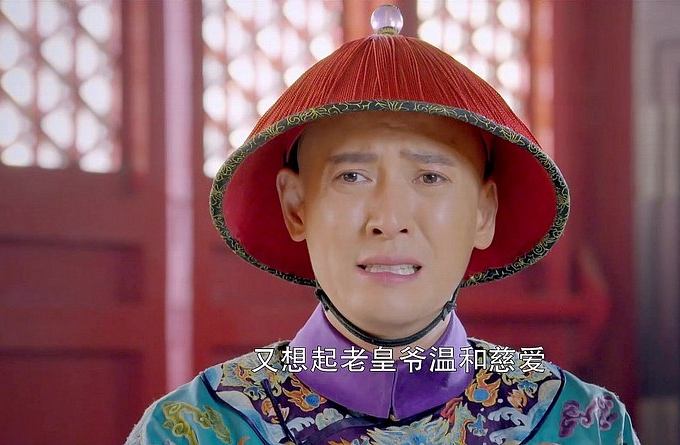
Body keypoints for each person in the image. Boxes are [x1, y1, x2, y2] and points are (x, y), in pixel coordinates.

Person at [126, 6, 640, 445]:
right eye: (352, 176)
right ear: (296, 206)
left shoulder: (582, 426)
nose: (389, 220)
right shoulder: (197, 428)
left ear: (484, 212)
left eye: (430, 177)